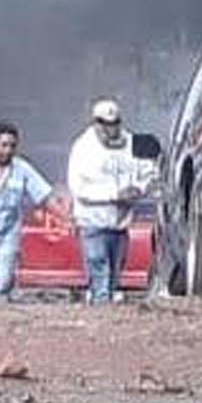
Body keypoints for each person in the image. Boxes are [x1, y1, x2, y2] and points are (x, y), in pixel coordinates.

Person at [0, 122, 61, 303]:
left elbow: (44, 196)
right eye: (4, 145)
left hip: (7, 235)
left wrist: (66, 218)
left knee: (3, 284)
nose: (8, 150)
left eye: (12, 146)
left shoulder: (22, 169)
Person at [66, 97, 143, 305]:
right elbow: (79, 188)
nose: (111, 128)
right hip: (93, 223)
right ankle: (100, 311)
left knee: (113, 278)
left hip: (120, 225)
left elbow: (148, 172)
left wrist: (138, 189)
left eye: (115, 123)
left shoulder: (132, 143)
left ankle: (103, 311)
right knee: (100, 272)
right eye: (106, 124)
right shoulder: (83, 148)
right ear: (96, 124)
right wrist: (113, 194)